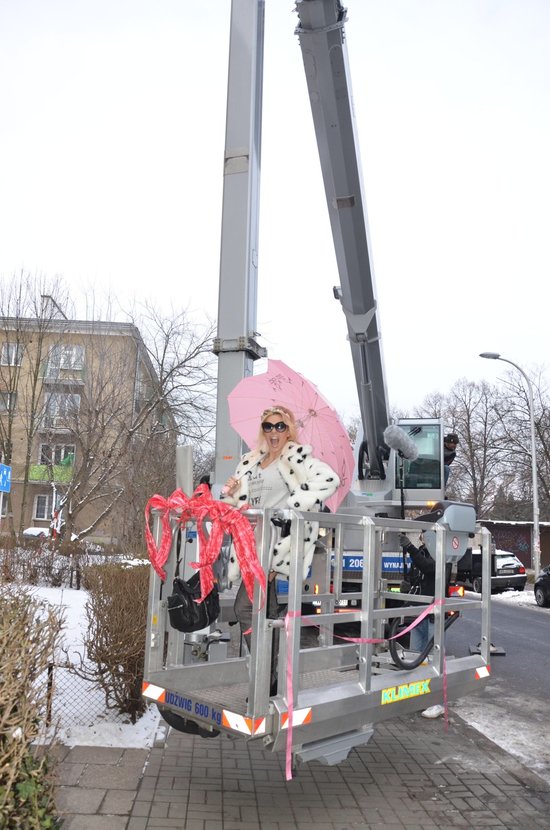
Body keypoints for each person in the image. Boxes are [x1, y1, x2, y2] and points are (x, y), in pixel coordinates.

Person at [220, 405, 340, 692]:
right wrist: (232, 492)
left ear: (290, 430)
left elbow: (330, 480)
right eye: (268, 427)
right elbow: (236, 507)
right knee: (266, 611)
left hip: (274, 547)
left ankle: (265, 677)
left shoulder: (297, 456)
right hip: (250, 544)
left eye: (280, 426)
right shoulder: (251, 460)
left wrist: (292, 505)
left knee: (245, 608)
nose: (274, 432)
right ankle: (270, 676)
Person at [398, 531, 452, 719]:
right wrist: (407, 585)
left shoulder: (443, 555)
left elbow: (429, 569)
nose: (423, 538)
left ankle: (438, 702)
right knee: (415, 658)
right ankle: (419, 697)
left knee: (434, 658)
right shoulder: (422, 552)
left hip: (433, 616)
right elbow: (418, 574)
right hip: (418, 614)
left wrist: (410, 548)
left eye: (427, 535)